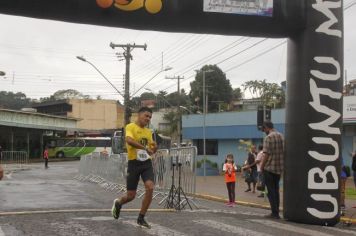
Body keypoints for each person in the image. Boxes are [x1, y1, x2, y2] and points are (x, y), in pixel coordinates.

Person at [111, 107, 158, 229]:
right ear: (139, 115)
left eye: (150, 117)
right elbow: (129, 140)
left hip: (146, 164)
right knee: (131, 195)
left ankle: (141, 217)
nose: (148, 119)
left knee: (150, 187)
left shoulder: (148, 132)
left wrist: (154, 148)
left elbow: (151, 150)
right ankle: (118, 203)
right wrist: (145, 148)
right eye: (146, 116)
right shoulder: (130, 127)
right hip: (133, 164)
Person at [260, 120, 284, 219]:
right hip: (279, 168)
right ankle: (276, 211)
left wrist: (261, 166)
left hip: (269, 168)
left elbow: (266, 154)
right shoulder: (281, 136)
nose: (264, 131)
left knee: (270, 191)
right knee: (276, 190)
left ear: (266, 127)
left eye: (263, 129)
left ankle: (274, 213)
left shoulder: (268, 137)